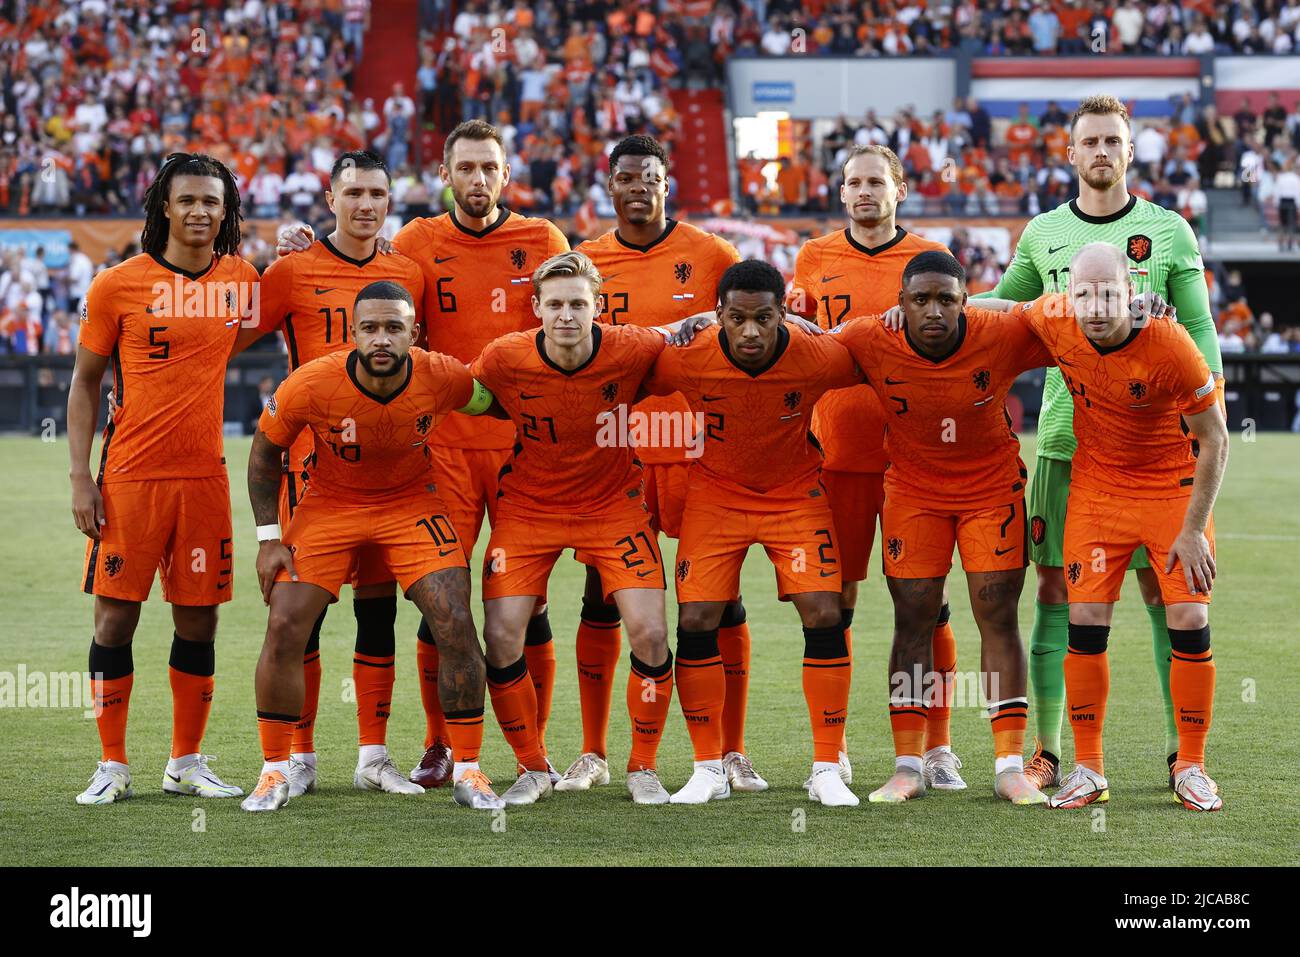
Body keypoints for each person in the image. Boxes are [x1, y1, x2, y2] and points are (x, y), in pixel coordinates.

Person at [277, 119, 569, 789]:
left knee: (531, 602)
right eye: (463, 167)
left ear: (505, 173)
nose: (476, 179)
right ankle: (440, 745)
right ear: (444, 175)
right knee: (443, 603)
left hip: (525, 449)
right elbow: (360, 283)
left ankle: (536, 749)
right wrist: (301, 245)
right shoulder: (413, 246)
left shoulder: (543, 239)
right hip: (440, 449)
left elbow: (571, 319)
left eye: (487, 167)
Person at [972, 94, 1223, 792]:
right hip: (1066, 439)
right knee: (1059, 592)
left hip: (1156, 443)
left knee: (1160, 592)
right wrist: (938, 317)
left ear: (1131, 150)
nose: (1103, 151)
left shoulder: (1168, 230)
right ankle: (1053, 750)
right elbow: (1008, 314)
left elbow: (1199, 328)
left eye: (1115, 140)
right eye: (1091, 142)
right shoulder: (1042, 232)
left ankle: (1182, 751)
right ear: (1072, 152)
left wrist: (1207, 404)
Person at [241, 281, 504, 812]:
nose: (381, 339)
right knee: (286, 623)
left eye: (393, 328)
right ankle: (273, 771)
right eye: (370, 328)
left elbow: (495, 401)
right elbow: (264, 455)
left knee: (454, 617)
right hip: (329, 505)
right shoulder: (310, 383)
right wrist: (269, 538)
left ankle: (470, 769)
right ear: (353, 332)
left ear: (414, 332)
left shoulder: (442, 375)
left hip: (412, 504)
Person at [472, 251, 709, 806]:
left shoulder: (630, 347)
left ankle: (642, 765)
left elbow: (673, 332)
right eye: (554, 304)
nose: (566, 315)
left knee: (651, 634)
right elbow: (465, 394)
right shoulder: (504, 358)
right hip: (529, 508)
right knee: (502, 634)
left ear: (597, 308)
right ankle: (532, 766)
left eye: (578, 304)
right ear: (535, 308)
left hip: (613, 507)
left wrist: (700, 321)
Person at [564, 134, 761, 795]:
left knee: (720, 598)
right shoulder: (584, 259)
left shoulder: (712, 255)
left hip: (704, 450)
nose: (638, 187)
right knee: (603, 597)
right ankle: (594, 751)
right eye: (626, 176)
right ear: (610, 185)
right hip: (617, 453)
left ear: (666, 185)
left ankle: (731, 751)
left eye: (650, 176)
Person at [234, 150, 428, 798]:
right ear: (330, 196)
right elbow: (229, 337)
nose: (366, 204)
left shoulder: (408, 271)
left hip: (387, 474)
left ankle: (373, 755)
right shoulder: (291, 270)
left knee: (378, 616)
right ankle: (297, 754)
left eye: (377, 191)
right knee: (300, 617)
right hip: (308, 476)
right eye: (354, 192)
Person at [67, 153, 259, 805]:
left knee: (198, 623)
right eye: (189, 200)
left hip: (204, 480)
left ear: (226, 211)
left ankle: (185, 761)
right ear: (164, 208)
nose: (202, 211)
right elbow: (85, 381)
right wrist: (78, 476)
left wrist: (298, 247)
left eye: (214, 201)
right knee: (114, 621)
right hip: (128, 478)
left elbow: (268, 317)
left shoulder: (241, 279)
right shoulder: (117, 284)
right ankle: (112, 763)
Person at [643, 260, 864, 808]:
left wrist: (825, 329)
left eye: (763, 318)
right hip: (716, 495)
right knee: (696, 617)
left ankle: (826, 765)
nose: (749, 331)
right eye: (735, 318)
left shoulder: (817, 356)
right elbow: (631, 363)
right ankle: (706, 767)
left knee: (824, 610)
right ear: (717, 315)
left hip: (794, 494)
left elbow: (871, 359)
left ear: (783, 313)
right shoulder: (689, 355)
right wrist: (681, 324)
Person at [1018, 244, 1229, 812]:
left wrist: (1192, 529)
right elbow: (998, 310)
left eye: (1107, 292)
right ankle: (1088, 769)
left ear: (1131, 288)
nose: (1094, 305)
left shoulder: (1170, 344)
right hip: (1097, 491)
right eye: (1083, 293)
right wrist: (930, 309)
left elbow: (1216, 438)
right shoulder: (1055, 316)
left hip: (1171, 490)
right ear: (1070, 290)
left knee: (1188, 615)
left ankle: (1191, 766)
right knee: (1084, 621)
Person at [786, 145, 961, 789]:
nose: (864, 192)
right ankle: (831, 754)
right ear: (840, 192)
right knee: (833, 605)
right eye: (853, 182)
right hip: (838, 454)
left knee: (927, 604)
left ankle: (936, 747)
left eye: (876, 182)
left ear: (901, 189)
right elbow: (802, 340)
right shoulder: (813, 257)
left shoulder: (928, 259)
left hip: (916, 458)